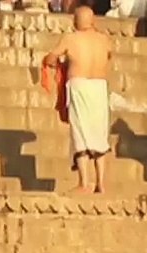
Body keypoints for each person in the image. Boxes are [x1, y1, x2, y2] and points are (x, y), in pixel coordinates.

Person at [43, 6, 113, 194]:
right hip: (100, 86)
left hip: (80, 85)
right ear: (93, 21)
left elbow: (50, 58)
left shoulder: (70, 38)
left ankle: (84, 183)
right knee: (99, 134)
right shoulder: (104, 40)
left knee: (80, 132)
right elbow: (109, 56)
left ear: (75, 22)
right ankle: (101, 183)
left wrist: (61, 63)